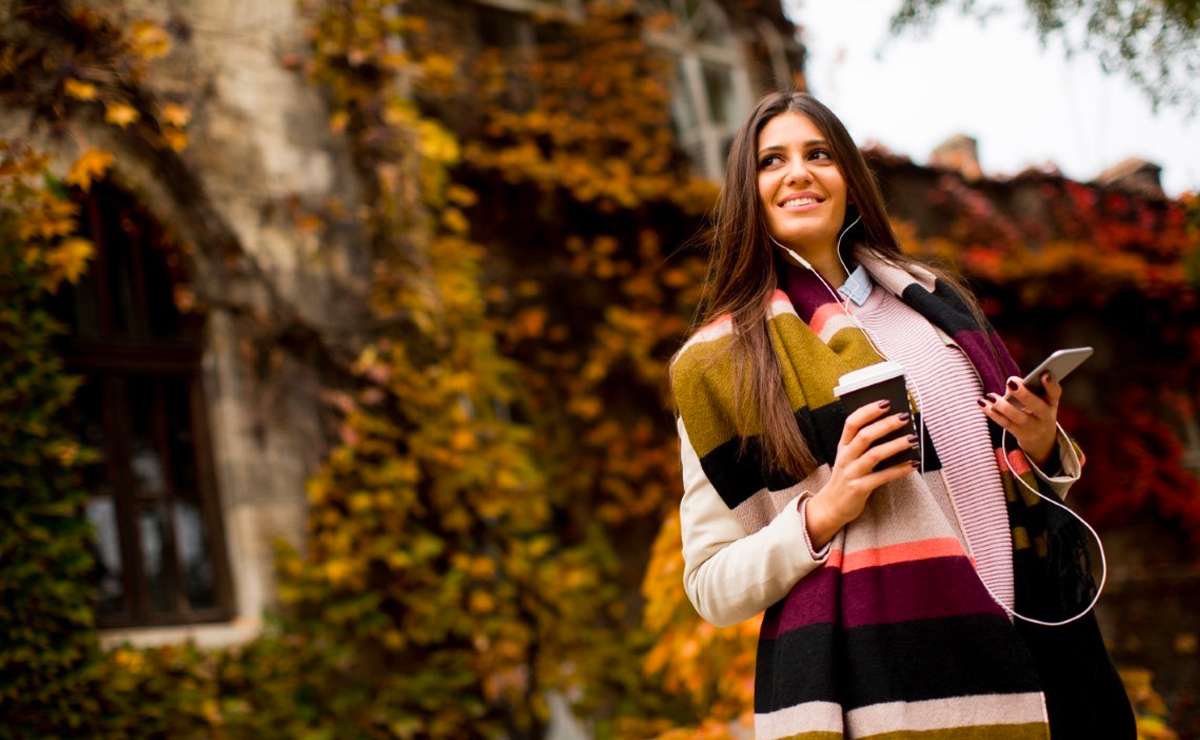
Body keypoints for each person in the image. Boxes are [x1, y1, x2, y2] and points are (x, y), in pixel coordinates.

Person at [668, 90, 1134, 739]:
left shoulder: (940, 309)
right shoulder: (719, 364)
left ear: (851, 182)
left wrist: (1040, 446)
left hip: (1029, 656)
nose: (798, 172)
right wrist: (825, 511)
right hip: (886, 690)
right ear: (748, 192)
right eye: (771, 160)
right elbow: (712, 585)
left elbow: (995, 490)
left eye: (819, 154)